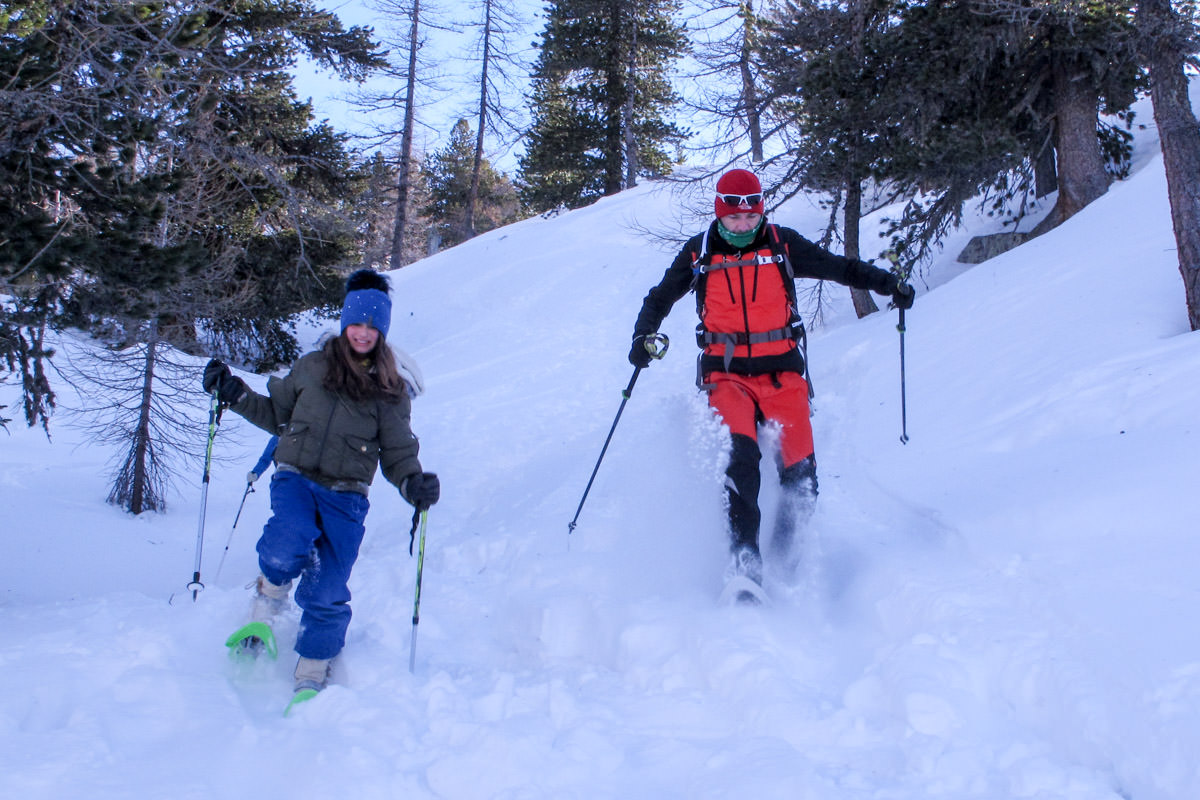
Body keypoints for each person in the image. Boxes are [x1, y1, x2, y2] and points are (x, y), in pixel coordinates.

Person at [628, 168, 914, 600]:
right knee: (741, 465)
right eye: (734, 219)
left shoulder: (781, 244)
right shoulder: (699, 252)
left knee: (802, 477)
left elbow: (840, 268)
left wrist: (887, 283)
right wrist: (642, 336)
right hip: (727, 377)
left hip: (782, 374)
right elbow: (660, 297)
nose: (743, 226)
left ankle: (787, 557)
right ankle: (744, 564)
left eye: (750, 217)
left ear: (760, 210)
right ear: (720, 213)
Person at [203, 269, 440, 694]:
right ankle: (267, 600)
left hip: (347, 498)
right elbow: (276, 416)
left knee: (328, 588)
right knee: (288, 536)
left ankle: (312, 670)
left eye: (373, 326)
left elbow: (399, 453)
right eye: (357, 323)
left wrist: (413, 485)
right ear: (346, 322)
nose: (363, 333)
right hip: (295, 477)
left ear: (381, 331)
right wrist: (235, 394)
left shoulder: (390, 391)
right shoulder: (311, 368)